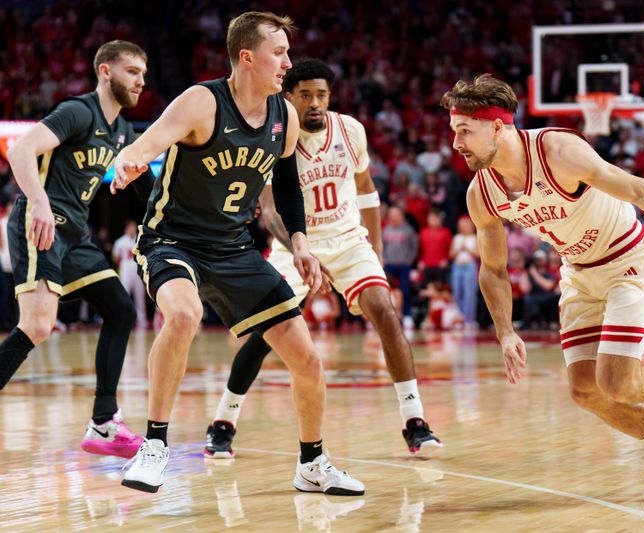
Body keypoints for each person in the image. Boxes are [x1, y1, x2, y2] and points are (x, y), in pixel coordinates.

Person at [442, 74, 644, 502]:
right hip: (578, 273)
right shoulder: (482, 194)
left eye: (464, 131)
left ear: (496, 126)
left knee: (617, 381)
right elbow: (493, 268)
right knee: (585, 390)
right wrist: (506, 331)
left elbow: (638, 190)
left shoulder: (558, 151)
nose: (456, 143)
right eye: (454, 131)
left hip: (627, 260)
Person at [111, 12, 363, 496]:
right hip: (173, 240)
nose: (287, 62)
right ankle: (155, 445)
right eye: (279, 52)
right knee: (184, 315)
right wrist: (128, 161)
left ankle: (312, 463)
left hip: (235, 247)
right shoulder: (203, 102)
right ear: (247, 57)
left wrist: (300, 244)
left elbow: (287, 186)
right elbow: (147, 143)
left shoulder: (284, 115)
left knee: (307, 358)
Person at [204, 58, 441, 459]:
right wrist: (302, 251)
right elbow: (270, 212)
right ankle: (223, 421)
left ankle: (414, 420)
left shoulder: (351, 130)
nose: (315, 103)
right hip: (294, 245)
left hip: (347, 241)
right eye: (306, 95)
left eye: (322, 95)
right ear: (288, 97)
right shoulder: (273, 136)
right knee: (266, 333)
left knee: (385, 311)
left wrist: (376, 250)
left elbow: (367, 190)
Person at [1, 40, 153, 459]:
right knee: (37, 325)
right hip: (41, 222)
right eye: (132, 71)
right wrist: (39, 201)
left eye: (143, 73)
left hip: (75, 235)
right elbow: (20, 150)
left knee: (121, 310)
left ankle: (104, 422)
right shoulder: (78, 111)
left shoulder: (123, 131)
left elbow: (148, 188)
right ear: (105, 71)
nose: (141, 81)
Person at [112, 219, 148, 328]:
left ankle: (141, 319)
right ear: (126, 228)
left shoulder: (139, 240)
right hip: (126, 271)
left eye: (134, 227)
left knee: (140, 296)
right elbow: (116, 258)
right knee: (124, 295)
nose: (132, 229)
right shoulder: (120, 241)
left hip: (137, 271)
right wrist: (123, 267)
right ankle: (123, 318)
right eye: (130, 227)